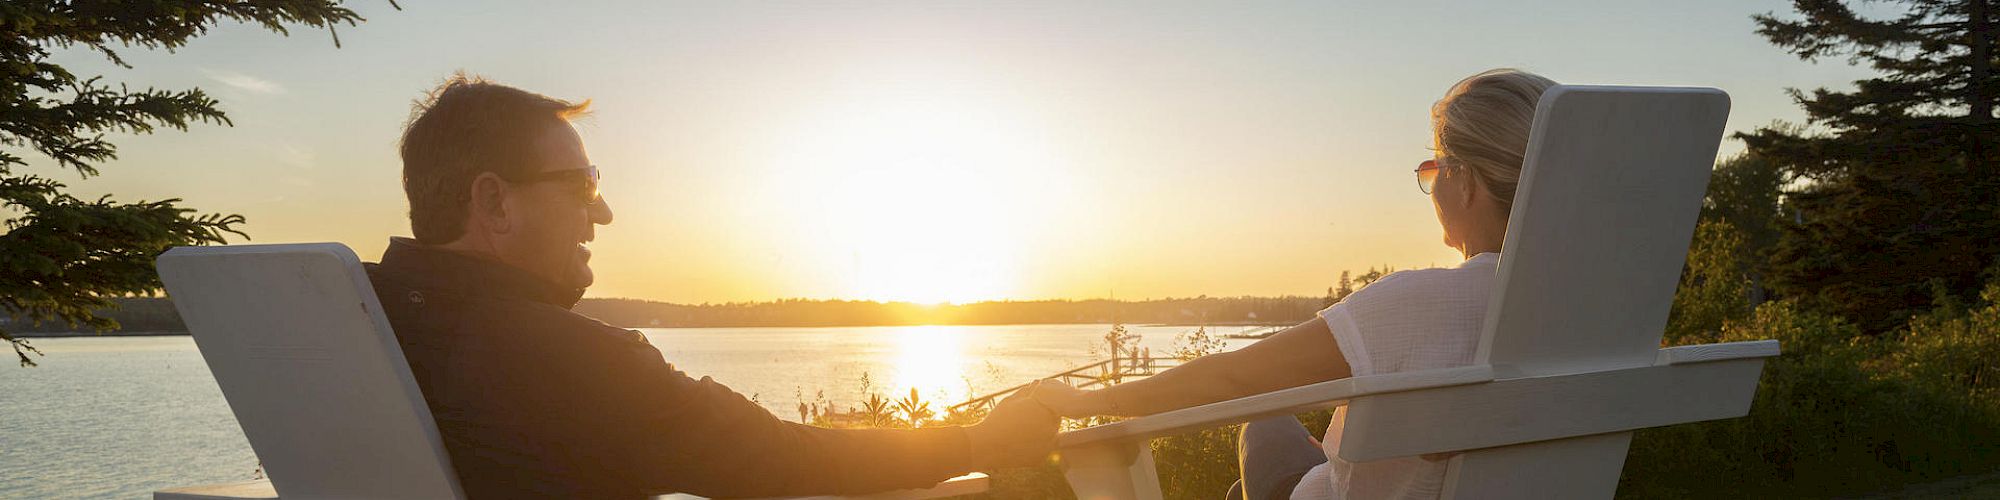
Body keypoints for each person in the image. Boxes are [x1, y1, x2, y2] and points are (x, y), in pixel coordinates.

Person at [365, 74, 1059, 499]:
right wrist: (979, 441)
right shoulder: (572, 360)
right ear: (494, 204)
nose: (602, 211)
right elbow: (782, 458)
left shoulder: (367, 323)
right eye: (582, 184)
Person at [1030, 68, 1559, 500]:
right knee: (1260, 458)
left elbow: (1233, 379)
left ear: (1465, 181)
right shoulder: (1590, 313)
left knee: (1261, 431)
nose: (1432, 183)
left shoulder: (1422, 303)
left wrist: (1076, 402)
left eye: (1434, 168)